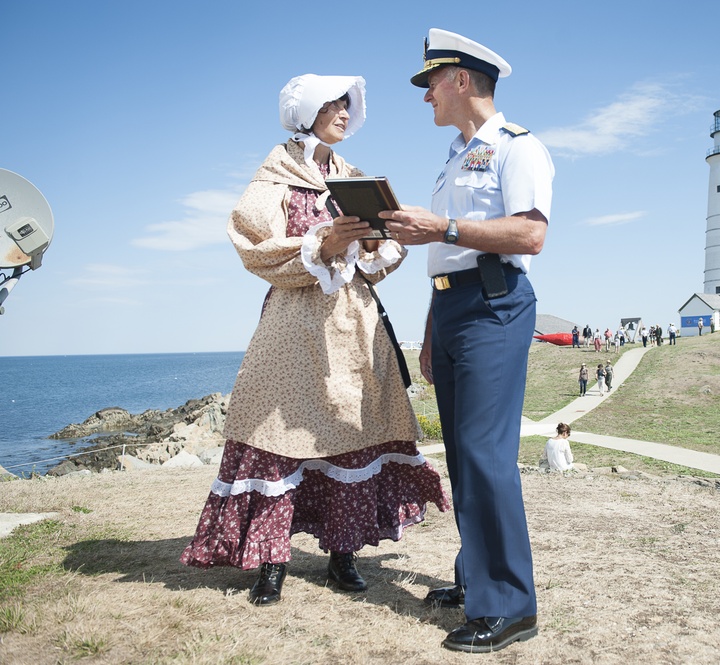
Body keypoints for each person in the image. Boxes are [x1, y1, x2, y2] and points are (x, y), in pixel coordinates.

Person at [180, 75, 449, 606]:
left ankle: (341, 554)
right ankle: (271, 561)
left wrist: (373, 241)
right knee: (277, 428)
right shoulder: (277, 174)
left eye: (349, 107)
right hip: (295, 320)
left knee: (351, 428)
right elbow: (253, 245)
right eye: (334, 106)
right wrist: (322, 241)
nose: (346, 115)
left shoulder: (352, 177)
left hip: (353, 322)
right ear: (308, 111)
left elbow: (378, 258)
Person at [383, 28, 553, 653]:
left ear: (459, 79)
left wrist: (444, 224)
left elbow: (531, 236)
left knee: (485, 454)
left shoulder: (518, 148)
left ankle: (511, 606)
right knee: (460, 456)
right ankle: (475, 578)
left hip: (494, 305)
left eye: (430, 82)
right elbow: (443, 258)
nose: (425, 94)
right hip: (453, 308)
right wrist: (430, 331)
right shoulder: (456, 157)